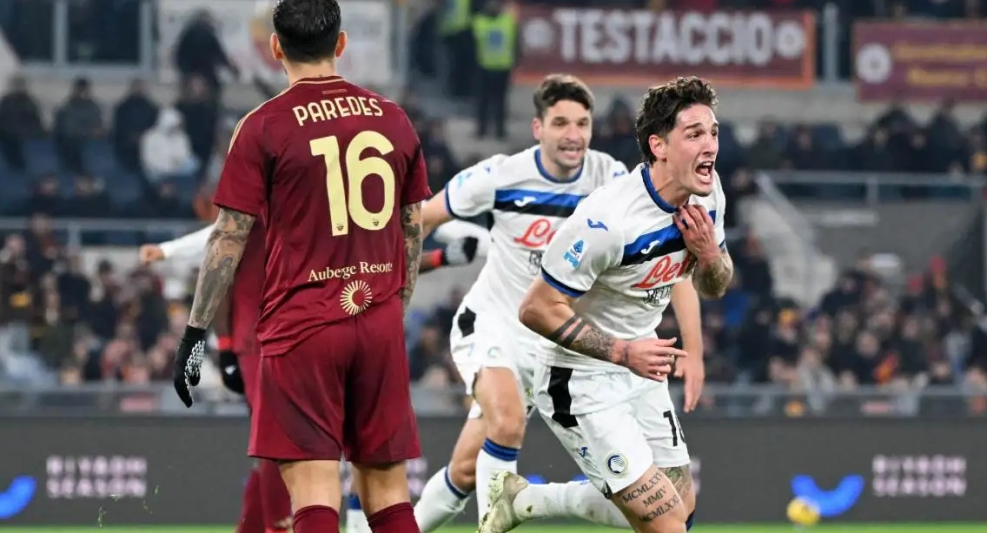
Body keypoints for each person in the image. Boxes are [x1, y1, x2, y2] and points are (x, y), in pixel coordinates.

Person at [170, 0, 431, 533]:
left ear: (274, 49)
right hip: (377, 321)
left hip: (303, 326)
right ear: (340, 42)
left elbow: (228, 238)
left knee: (313, 491)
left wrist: (196, 334)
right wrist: (394, 311)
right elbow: (411, 229)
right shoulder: (393, 120)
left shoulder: (263, 126)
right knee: (387, 490)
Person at [481, 76, 732, 533]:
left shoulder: (708, 195)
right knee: (668, 525)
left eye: (713, 131)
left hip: (640, 367)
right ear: (659, 145)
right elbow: (535, 308)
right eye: (694, 134)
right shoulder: (608, 221)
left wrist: (710, 254)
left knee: (682, 511)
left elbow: (714, 286)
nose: (710, 145)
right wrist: (621, 352)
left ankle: (525, 501)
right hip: (580, 379)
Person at [141, 219, 485, 533]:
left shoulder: (307, 193)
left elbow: (377, 264)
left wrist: (439, 258)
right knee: (291, 451)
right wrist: (227, 344)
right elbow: (223, 237)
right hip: (263, 338)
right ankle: (281, 527)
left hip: (306, 333)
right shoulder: (278, 184)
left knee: (287, 451)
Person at [414, 74, 645, 530]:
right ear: (538, 128)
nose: (573, 135)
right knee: (508, 424)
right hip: (492, 325)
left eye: (582, 123)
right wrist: (402, 274)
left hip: (550, 342)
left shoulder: (610, 179)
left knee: (464, 471)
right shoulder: (500, 175)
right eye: (561, 123)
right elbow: (421, 217)